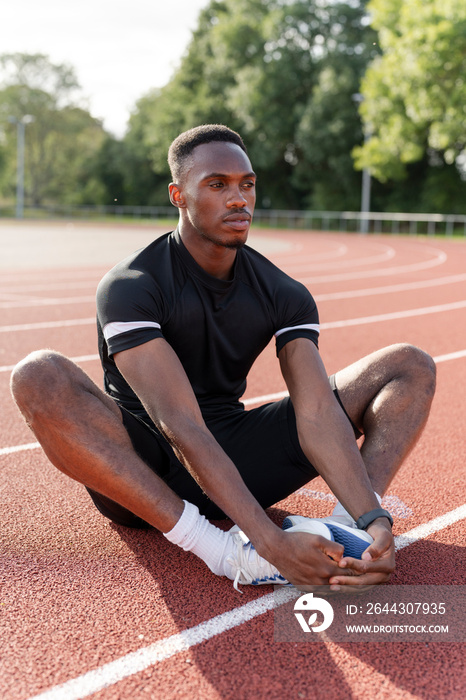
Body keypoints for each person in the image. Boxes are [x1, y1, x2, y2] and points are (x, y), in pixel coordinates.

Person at [10, 124, 436, 592]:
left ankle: (350, 538)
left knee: (408, 366)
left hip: (233, 453)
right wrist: (268, 542)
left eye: (246, 184)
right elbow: (178, 423)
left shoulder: (283, 293)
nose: (238, 199)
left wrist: (375, 522)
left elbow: (315, 412)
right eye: (217, 185)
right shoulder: (132, 286)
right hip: (143, 470)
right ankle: (224, 553)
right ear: (179, 195)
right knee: (38, 374)